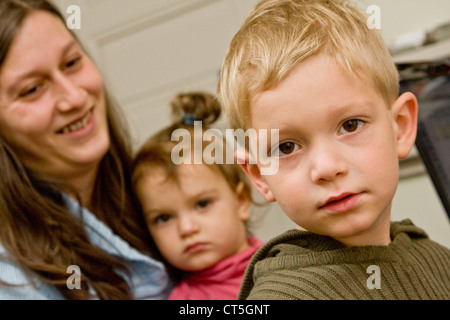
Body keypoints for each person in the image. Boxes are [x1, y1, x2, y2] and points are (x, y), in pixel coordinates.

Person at [217, 0, 450, 299]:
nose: (327, 167)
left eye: (350, 125)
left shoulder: (436, 260)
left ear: (401, 127)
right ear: (259, 175)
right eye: (286, 147)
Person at [0, 0, 171, 299]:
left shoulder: (151, 191)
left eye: (72, 63)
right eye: (32, 89)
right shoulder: (11, 278)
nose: (75, 98)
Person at [131, 91, 263, 300]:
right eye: (163, 218)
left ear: (241, 201)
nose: (187, 228)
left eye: (202, 204)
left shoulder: (286, 263)